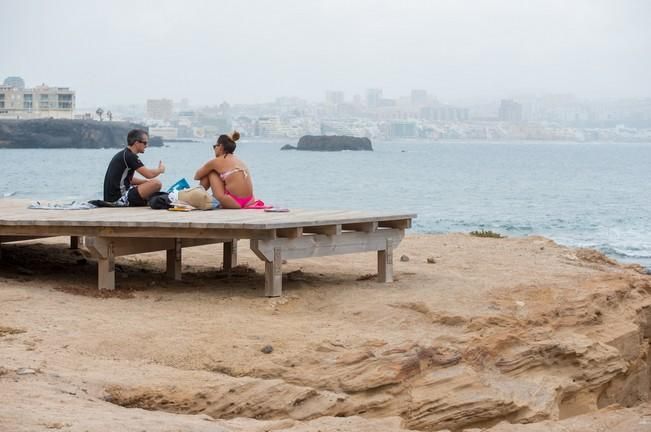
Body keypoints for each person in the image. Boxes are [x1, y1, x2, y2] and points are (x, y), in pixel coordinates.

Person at [103, 129, 165, 206]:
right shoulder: (130, 156)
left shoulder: (124, 154)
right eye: (145, 143)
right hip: (119, 198)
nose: (146, 145)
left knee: (150, 184)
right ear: (136, 143)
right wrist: (160, 170)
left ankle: (147, 201)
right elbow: (149, 174)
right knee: (156, 184)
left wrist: (145, 182)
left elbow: (128, 180)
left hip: (112, 197)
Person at [194, 131, 256, 209]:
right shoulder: (239, 161)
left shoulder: (216, 161)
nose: (214, 149)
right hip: (249, 201)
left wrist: (209, 168)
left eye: (215, 146)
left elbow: (196, 176)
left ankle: (196, 197)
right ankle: (198, 196)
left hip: (233, 202)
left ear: (221, 146)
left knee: (211, 171)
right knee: (220, 174)